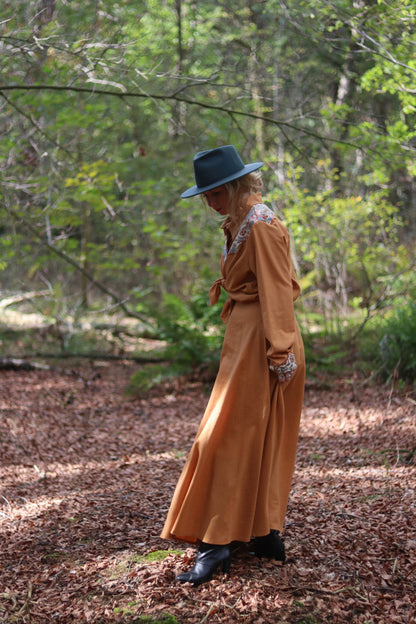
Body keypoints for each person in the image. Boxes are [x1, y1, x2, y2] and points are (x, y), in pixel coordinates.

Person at [161, 145, 305, 586]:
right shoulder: (239, 223)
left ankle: (219, 542)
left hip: (265, 339)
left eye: (213, 193)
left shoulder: (260, 224)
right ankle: (262, 535)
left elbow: (279, 288)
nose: (208, 201)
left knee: (227, 437)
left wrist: (280, 350)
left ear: (233, 186)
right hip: (246, 337)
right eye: (205, 195)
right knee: (245, 435)